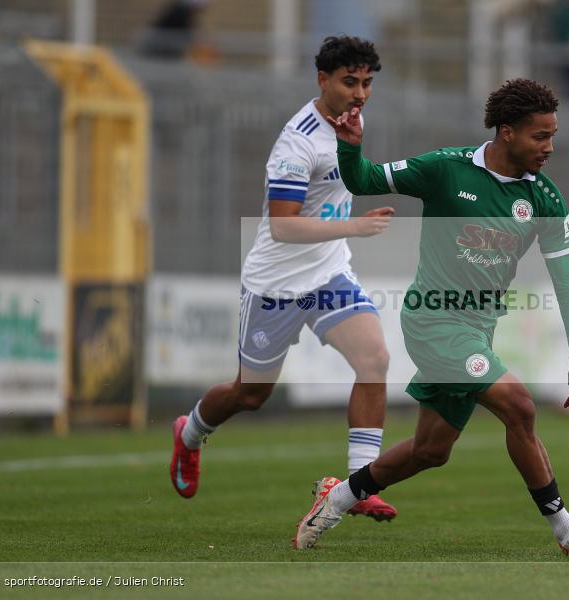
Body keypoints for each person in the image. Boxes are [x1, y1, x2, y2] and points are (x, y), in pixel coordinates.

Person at [293, 78, 569, 556]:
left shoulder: (545, 200)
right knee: (520, 408)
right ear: (507, 132)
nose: (550, 147)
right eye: (540, 136)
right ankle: (566, 530)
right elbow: (362, 180)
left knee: (431, 451)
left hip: (477, 331)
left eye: (553, 135)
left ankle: (336, 498)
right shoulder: (445, 169)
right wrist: (349, 146)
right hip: (433, 322)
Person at [170, 36, 398, 521]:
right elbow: (283, 225)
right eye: (349, 82)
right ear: (322, 79)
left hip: (329, 272)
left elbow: (346, 181)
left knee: (375, 358)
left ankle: (360, 485)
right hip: (276, 283)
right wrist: (356, 225)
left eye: (367, 83)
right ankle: (188, 434)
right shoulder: (297, 142)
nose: (360, 94)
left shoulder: (352, 122)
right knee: (250, 394)